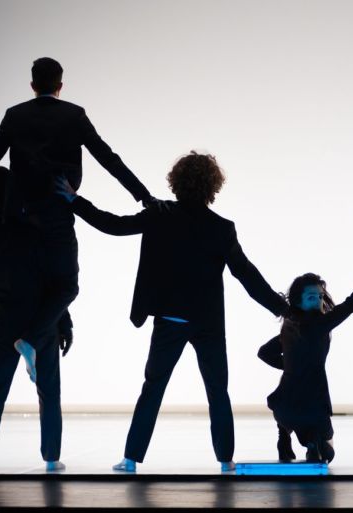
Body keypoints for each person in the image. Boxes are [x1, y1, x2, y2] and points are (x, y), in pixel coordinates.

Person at [56, 151, 288, 472]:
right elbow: (247, 276)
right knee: (217, 392)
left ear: (176, 182)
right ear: (212, 186)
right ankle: (226, 461)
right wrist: (283, 309)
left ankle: (130, 459)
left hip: (171, 319)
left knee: (152, 389)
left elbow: (112, 225)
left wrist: (74, 200)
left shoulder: (160, 214)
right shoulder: (222, 228)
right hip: (207, 323)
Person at [0, 57, 155, 374]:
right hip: (57, 214)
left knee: (31, 286)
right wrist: (143, 195)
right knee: (66, 286)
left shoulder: (15, 116)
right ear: (61, 86)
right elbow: (108, 159)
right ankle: (30, 342)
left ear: (32, 86)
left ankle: (24, 347)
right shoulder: (74, 116)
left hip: (19, 219)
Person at [0, 166, 73, 473]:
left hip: (2, 325)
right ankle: (52, 460)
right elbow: (53, 283)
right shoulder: (34, 232)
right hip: (41, 324)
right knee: (49, 392)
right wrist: (64, 322)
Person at [259, 254, 353, 464]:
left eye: (320, 296)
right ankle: (313, 443)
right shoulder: (322, 323)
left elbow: (264, 352)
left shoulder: (288, 325)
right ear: (299, 300)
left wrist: (290, 366)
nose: (319, 301)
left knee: (290, 412)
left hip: (284, 408)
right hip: (313, 405)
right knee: (328, 451)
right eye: (312, 297)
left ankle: (284, 437)